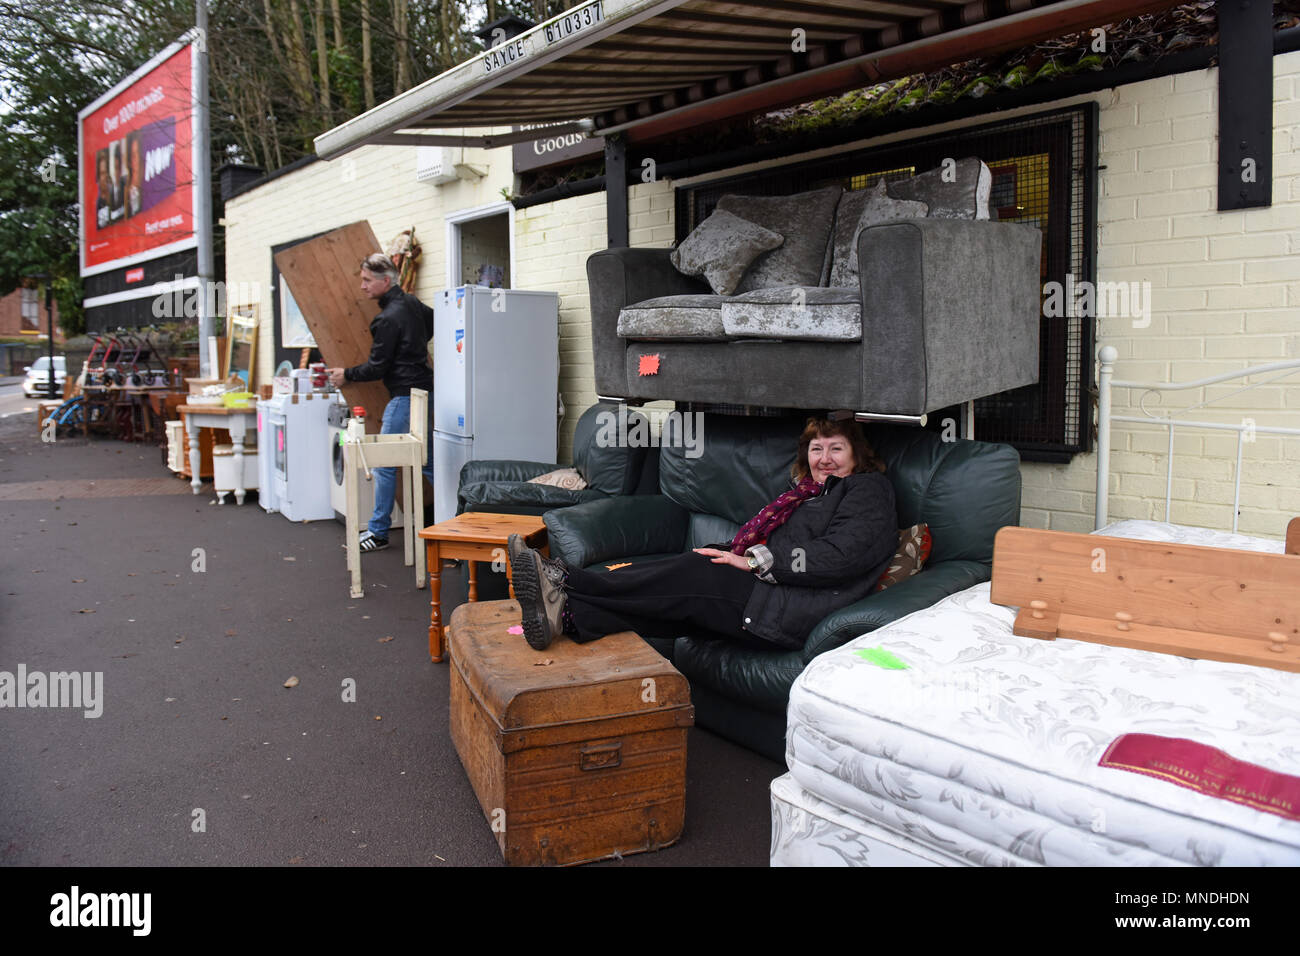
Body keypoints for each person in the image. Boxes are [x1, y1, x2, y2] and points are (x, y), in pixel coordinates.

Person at [508, 417, 898, 651]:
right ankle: (569, 614)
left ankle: (564, 580)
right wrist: (735, 554)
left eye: (836, 448)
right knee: (680, 590)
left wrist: (751, 561)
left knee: (696, 572)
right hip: (765, 591)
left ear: (857, 456)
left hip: (786, 606)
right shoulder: (801, 495)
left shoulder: (867, 490)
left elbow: (842, 555)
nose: (824, 458)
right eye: (817, 448)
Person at [327, 253, 435, 552]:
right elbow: (433, 321)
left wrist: (345, 375)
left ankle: (378, 531)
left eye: (366, 280)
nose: (362, 286)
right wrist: (414, 350)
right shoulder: (411, 304)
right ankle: (462, 518)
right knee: (429, 462)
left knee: (385, 462)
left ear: (385, 281)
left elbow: (377, 367)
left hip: (403, 396)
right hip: (425, 390)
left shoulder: (387, 318)